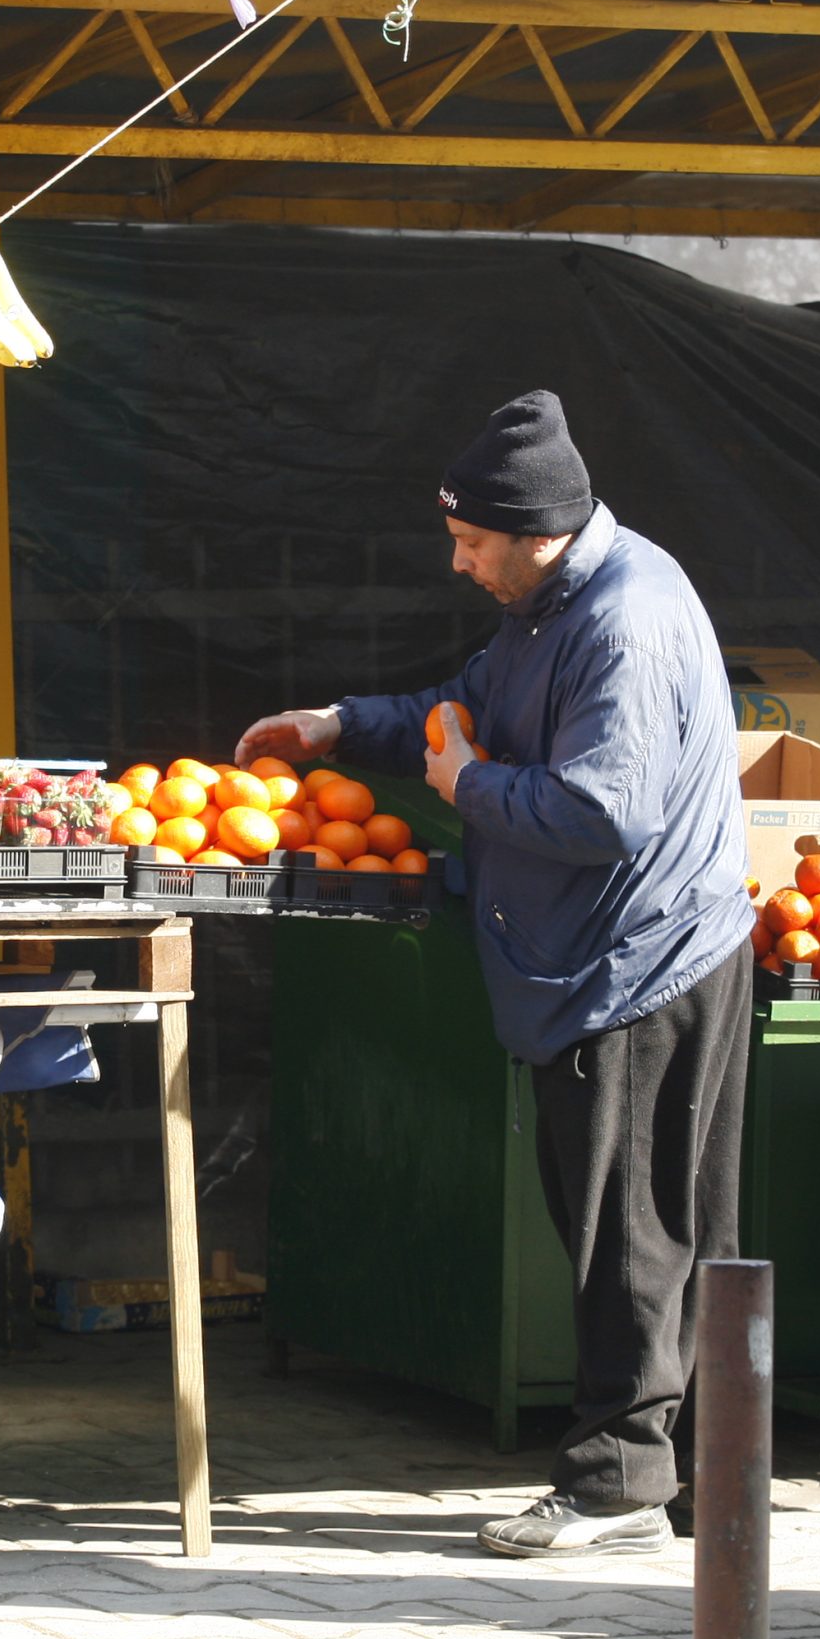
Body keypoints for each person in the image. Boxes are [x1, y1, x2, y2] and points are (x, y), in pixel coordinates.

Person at [236, 388, 756, 1561]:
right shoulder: (547, 604)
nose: (458, 562)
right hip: (604, 955)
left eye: (473, 543)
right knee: (649, 1226)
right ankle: (694, 1476)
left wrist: (464, 782)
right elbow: (464, 713)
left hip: (638, 964)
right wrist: (340, 727)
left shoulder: (622, 621)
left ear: (538, 534)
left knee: (631, 1232)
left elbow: (595, 807)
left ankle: (618, 1481)